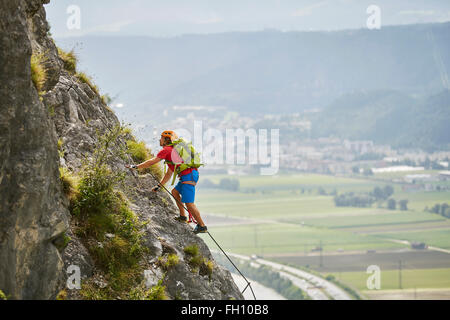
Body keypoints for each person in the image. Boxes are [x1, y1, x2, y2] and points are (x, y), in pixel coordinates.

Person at [126, 130, 207, 234]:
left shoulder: (167, 150)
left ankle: (202, 225)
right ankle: (183, 216)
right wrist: (159, 186)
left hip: (188, 176)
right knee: (175, 192)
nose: (160, 140)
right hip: (189, 175)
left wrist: (135, 166)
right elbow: (169, 173)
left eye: (162, 138)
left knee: (189, 203)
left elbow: (151, 162)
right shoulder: (173, 151)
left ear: (166, 140)